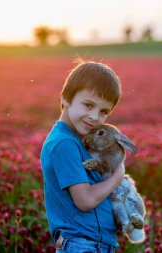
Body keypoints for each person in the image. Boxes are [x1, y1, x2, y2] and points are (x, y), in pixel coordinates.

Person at [40, 60, 125, 253]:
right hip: (84, 245)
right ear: (66, 99)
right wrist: (118, 176)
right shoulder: (64, 143)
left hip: (90, 243)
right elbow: (85, 200)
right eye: (88, 105)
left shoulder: (79, 140)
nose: (95, 117)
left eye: (104, 111)